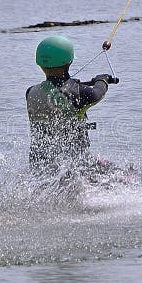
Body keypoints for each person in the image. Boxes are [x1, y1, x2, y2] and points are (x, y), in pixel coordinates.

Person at [26, 35, 119, 178]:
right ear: (69, 62)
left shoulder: (30, 92)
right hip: (73, 163)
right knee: (102, 168)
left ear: (40, 64)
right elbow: (98, 93)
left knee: (100, 163)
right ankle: (123, 178)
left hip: (39, 163)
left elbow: (56, 89)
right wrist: (103, 79)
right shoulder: (78, 92)